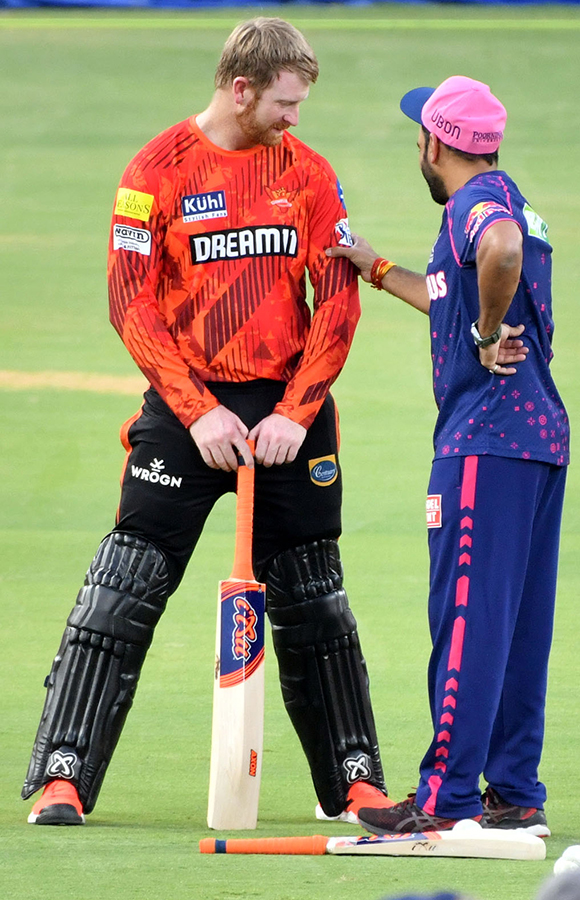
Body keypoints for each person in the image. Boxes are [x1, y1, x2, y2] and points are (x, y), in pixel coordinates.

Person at [21, 17, 392, 826]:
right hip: (188, 409)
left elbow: (335, 303)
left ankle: (357, 782)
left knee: (314, 598)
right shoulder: (153, 172)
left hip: (288, 415)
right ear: (240, 88)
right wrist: (197, 412)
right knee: (125, 585)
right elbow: (131, 304)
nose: (295, 117)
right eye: (285, 102)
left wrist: (297, 412)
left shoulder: (311, 175)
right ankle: (64, 776)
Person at [328, 76, 569, 835]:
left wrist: (485, 334)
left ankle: (447, 798)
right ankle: (515, 792)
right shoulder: (511, 195)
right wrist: (373, 267)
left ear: (436, 143)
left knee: (465, 618)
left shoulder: (476, 209)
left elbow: (494, 253)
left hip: (485, 442)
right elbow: (459, 286)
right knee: (518, 623)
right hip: (537, 441)